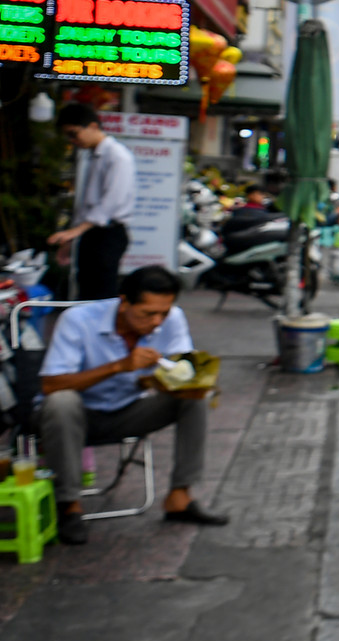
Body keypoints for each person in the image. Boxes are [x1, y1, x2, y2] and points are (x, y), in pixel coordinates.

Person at [36, 265, 228, 545]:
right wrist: (118, 366)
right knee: (62, 401)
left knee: (195, 396)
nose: (157, 322)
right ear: (124, 302)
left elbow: (180, 368)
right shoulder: (78, 320)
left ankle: (180, 496)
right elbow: (51, 385)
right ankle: (68, 505)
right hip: (73, 417)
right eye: (148, 314)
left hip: (128, 410)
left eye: (163, 313)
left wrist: (181, 378)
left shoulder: (172, 319)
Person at [50, 103, 135, 300]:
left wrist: (76, 231)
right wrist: (72, 237)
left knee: (101, 294)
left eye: (74, 134)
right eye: (68, 136)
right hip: (92, 232)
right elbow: (86, 204)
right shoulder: (93, 156)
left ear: (93, 126)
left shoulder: (117, 156)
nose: (72, 141)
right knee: (86, 291)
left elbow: (112, 201)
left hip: (108, 233)